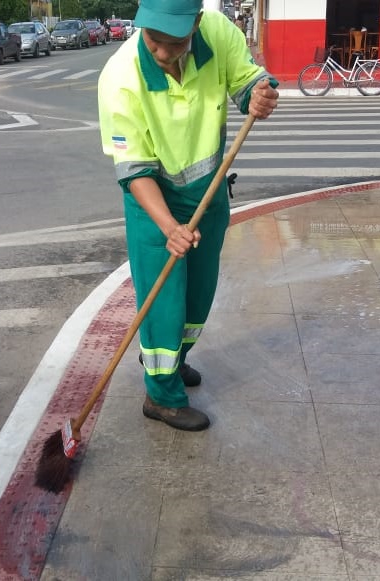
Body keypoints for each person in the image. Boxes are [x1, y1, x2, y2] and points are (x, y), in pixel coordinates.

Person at [98, 0, 279, 432]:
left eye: (174, 42)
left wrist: (261, 91)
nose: (162, 52)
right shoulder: (120, 79)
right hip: (153, 202)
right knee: (163, 303)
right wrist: (169, 228)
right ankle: (161, 397)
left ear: (196, 24)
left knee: (198, 294)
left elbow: (248, 79)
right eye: (154, 39)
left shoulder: (217, 32)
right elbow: (134, 171)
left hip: (209, 192)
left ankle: (174, 362)